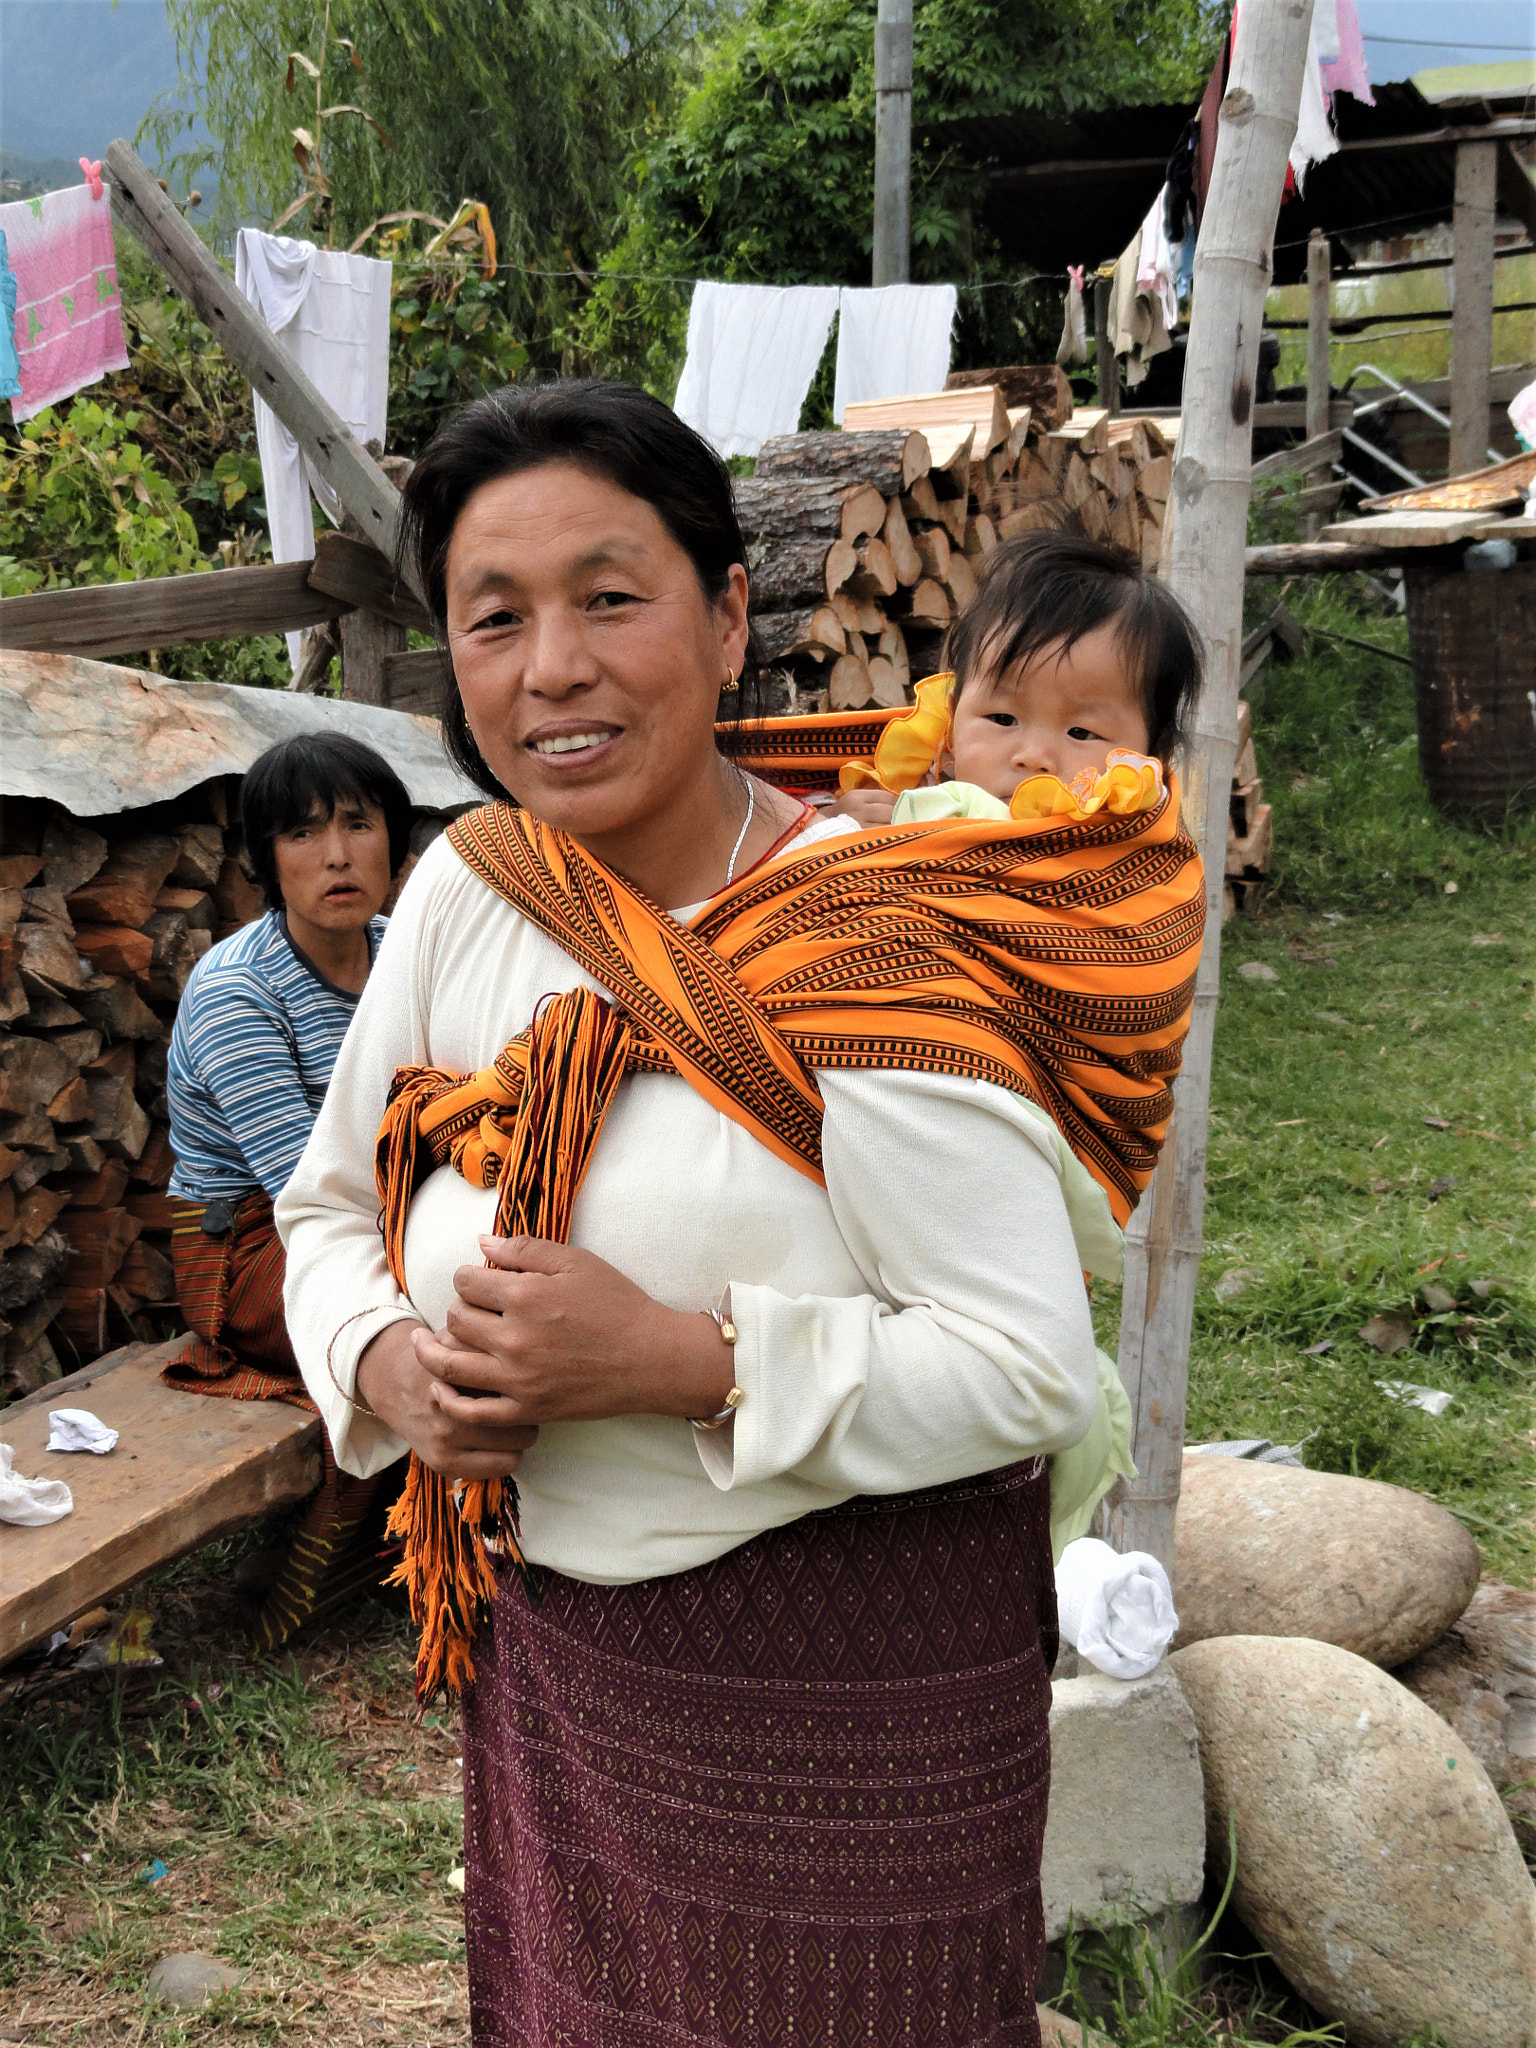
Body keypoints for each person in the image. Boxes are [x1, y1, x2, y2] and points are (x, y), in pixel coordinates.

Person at [276, 380, 1205, 2048]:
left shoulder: (875, 942)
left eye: (609, 598)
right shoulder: (467, 895)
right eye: (496, 619)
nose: (551, 664)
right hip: (558, 1668)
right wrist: (390, 1367)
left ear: (725, 623)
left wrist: (669, 1358)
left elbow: (1029, 1371)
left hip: (851, 1694)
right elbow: (328, 1206)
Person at [166, 731, 413, 1647]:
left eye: (358, 823)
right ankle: (345, 1572)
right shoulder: (238, 989)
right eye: (303, 834)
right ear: (265, 860)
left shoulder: (400, 951)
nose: (338, 855)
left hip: (384, 1206)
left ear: (395, 836)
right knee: (425, 1310)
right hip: (249, 1246)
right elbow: (302, 1187)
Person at [830, 529, 1201, 827]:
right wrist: (834, 826)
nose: (1034, 758)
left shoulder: (1132, 856)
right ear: (952, 725)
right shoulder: (915, 801)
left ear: (1155, 755)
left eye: (1082, 732)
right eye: (1003, 719)